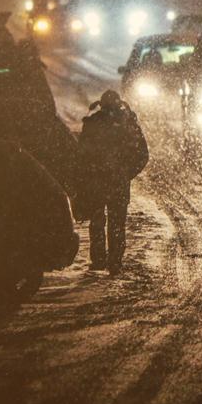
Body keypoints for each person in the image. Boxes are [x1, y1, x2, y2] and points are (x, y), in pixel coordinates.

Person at [76, 90, 148, 274]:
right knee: (116, 223)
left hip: (98, 181)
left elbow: (81, 155)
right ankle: (114, 261)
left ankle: (99, 260)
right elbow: (142, 155)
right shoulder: (127, 124)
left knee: (98, 221)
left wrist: (87, 175)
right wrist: (126, 173)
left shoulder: (93, 124)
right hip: (117, 182)